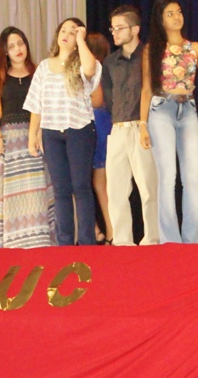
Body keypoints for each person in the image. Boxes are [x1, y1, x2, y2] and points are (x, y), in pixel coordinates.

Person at [25, 18, 101, 245]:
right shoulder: (43, 66)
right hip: (51, 132)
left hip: (79, 130)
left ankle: (87, 242)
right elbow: (36, 103)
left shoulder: (84, 62)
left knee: (81, 186)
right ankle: (64, 243)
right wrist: (33, 134)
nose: (66, 34)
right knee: (60, 189)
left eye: (72, 32)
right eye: (63, 30)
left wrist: (81, 41)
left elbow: (90, 69)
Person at [141, 0, 198, 244]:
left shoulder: (195, 48)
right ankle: (170, 241)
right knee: (167, 177)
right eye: (170, 13)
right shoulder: (152, 49)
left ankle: (191, 240)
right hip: (161, 110)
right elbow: (146, 89)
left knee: (192, 179)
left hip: (188, 109)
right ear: (160, 19)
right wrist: (142, 124)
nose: (177, 17)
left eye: (178, 12)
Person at [0, 27, 56, 248]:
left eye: (20, 43)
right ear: (5, 51)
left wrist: (38, 132)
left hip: (36, 138)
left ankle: (41, 241)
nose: (17, 49)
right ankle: (12, 245)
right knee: (9, 195)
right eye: (11, 46)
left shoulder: (39, 72)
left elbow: (47, 105)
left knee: (38, 192)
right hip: (8, 142)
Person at [101, 5, 159, 246]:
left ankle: (152, 237)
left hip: (141, 127)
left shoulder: (148, 56)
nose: (114, 32)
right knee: (115, 189)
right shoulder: (110, 62)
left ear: (135, 29)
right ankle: (122, 241)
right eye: (112, 28)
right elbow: (109, 97)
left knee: (148, 187)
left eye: (120, 28)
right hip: (117, 128)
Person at [86, 32, 113, 244]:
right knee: (100, 182)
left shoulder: (94, 70)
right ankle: (110, 229)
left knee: (93, 182)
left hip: (95, 123)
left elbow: (96, 100)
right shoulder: (107, 68)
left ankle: (101, 229)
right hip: (105, 123)